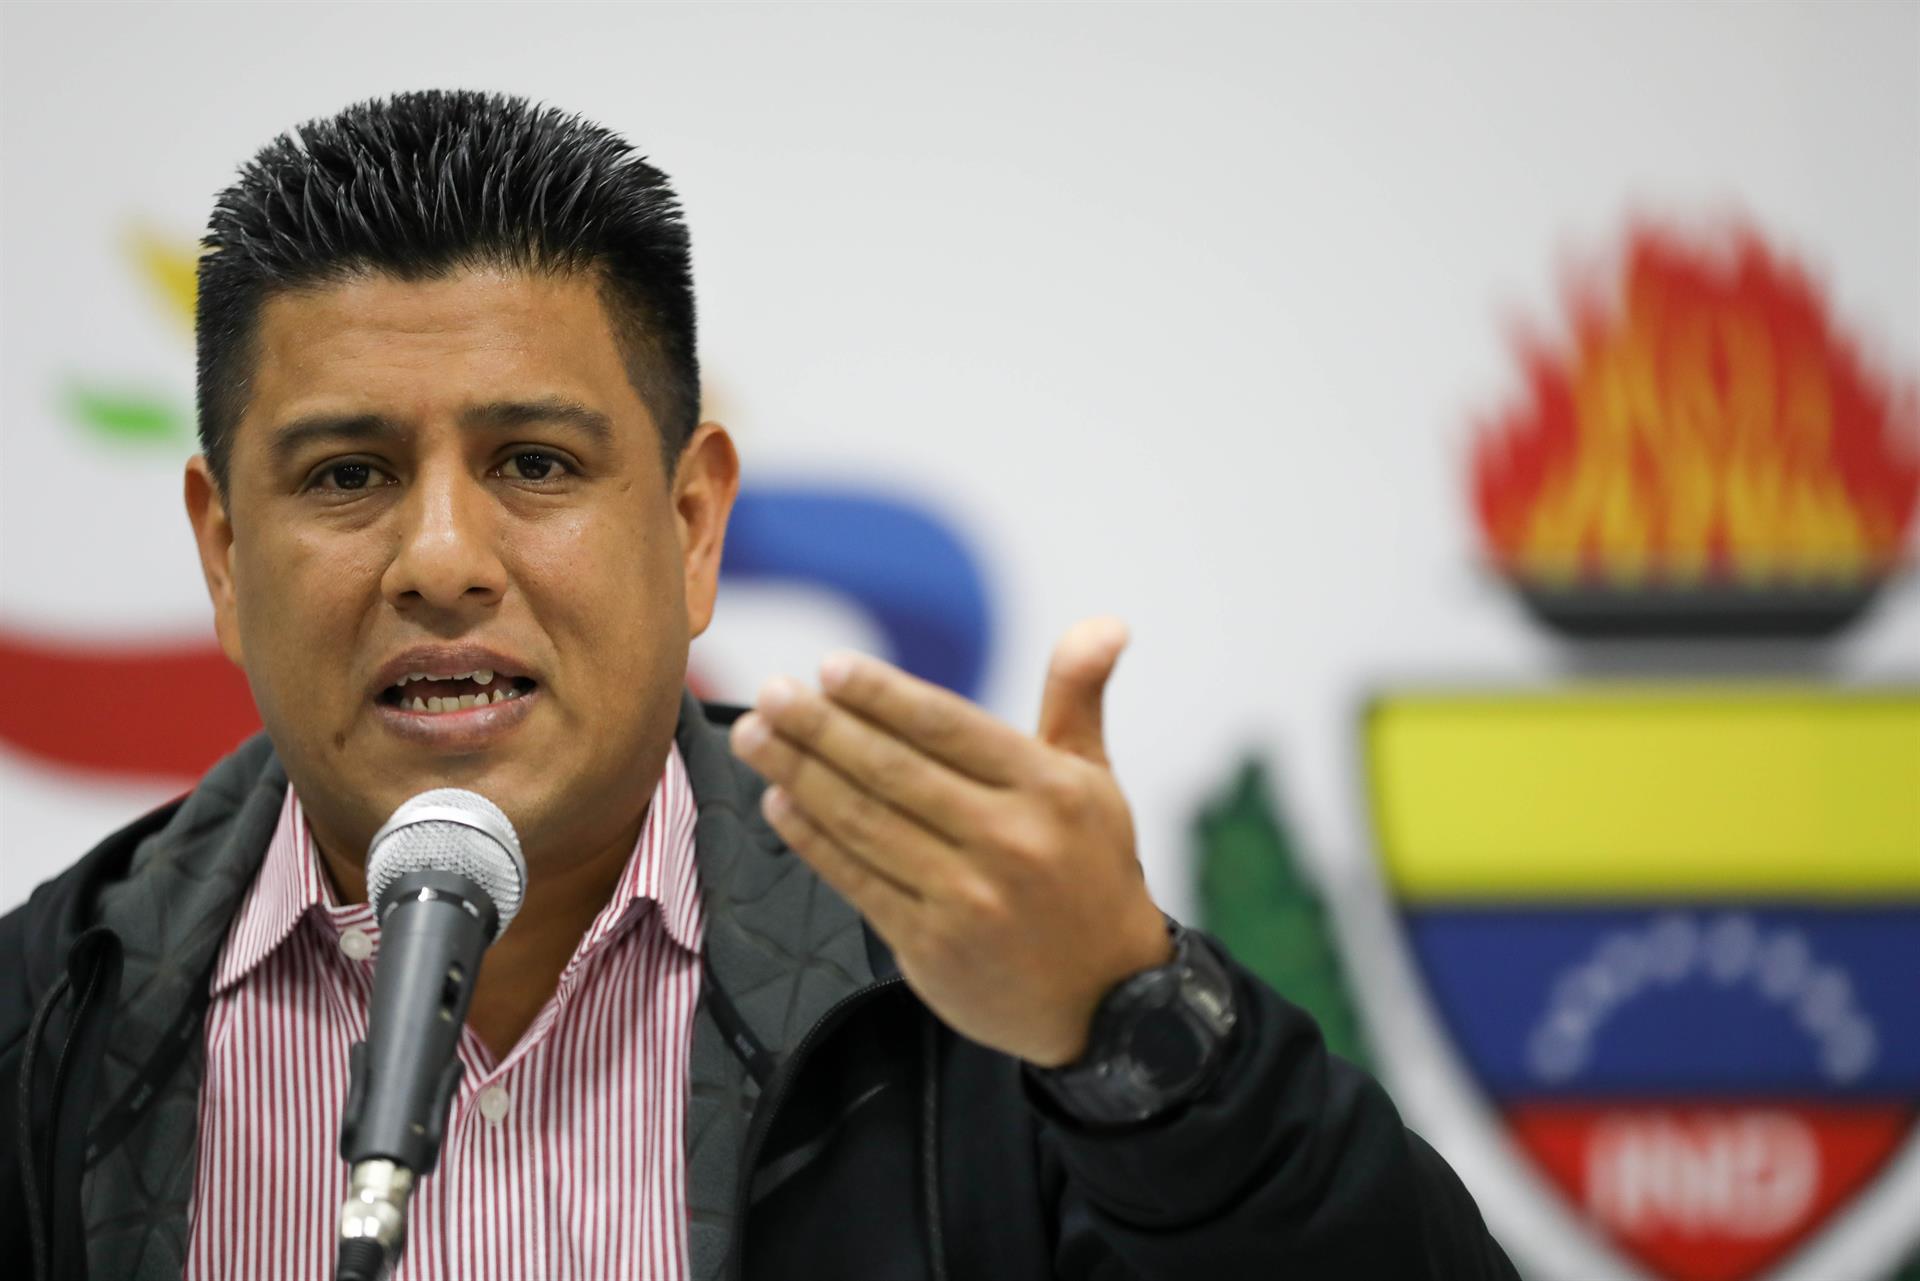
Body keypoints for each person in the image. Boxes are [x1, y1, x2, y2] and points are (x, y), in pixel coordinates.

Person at [0, 91, 1517, 1281]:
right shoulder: (40, 1028)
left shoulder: (972, 985)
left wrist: (1133, 1025)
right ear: (222, 552)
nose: (443, 559)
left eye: (535, 463)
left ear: (691, 526)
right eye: (348, 474)